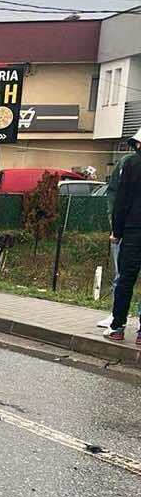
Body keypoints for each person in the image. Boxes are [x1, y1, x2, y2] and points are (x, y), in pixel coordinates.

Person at [104, 129, 141, 343]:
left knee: (126, 279)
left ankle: (117, 327)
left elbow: (121, 200)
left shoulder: (131, 164)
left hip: (133, 229)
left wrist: (116, 231)